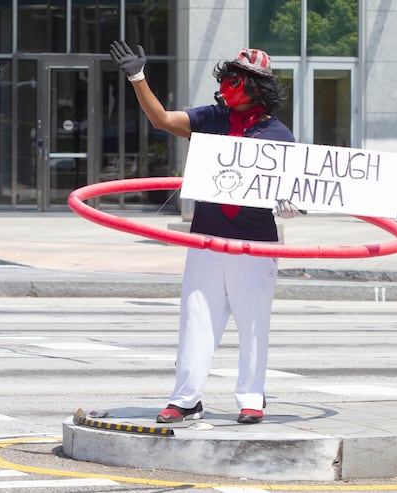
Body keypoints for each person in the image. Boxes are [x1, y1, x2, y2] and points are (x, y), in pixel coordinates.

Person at [110, 40, 300, 424]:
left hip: (254, 242)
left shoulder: (278, 135)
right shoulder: (213, 118)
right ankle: (186, 399)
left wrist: (290, 201)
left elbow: (290, 189)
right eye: (228, 75)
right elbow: (162, 120)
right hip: (206, 238)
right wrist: (137, 76)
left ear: (257, 87)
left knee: (252, 323)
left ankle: (251, 398)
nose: (230, 83)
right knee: (196, 319)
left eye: (239, 78)